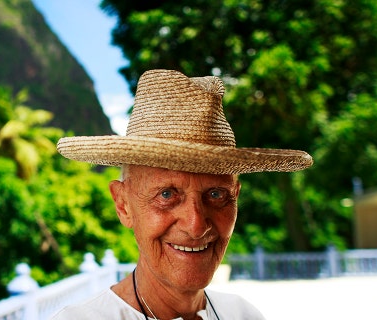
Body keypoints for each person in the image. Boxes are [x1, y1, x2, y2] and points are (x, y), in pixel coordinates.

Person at [53, 69, 313, 319]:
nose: (196, 225)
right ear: (123, 205)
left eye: (215, 195)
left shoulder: (243, 315)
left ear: (236, 196)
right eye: (167, 195)